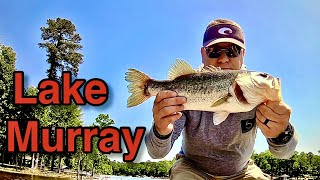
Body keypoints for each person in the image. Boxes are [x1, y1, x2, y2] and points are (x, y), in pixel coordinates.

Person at [145, 18, 298, 180]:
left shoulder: (257, 92)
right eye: (214, 51)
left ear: (243, 54)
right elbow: (156, 153)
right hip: (191, 168)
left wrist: (282, 133)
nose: (224, 59)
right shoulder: (183, 95)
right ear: (203, 54)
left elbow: (285, 153)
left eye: (233, 50)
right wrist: (161, 130)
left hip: (242, 171)